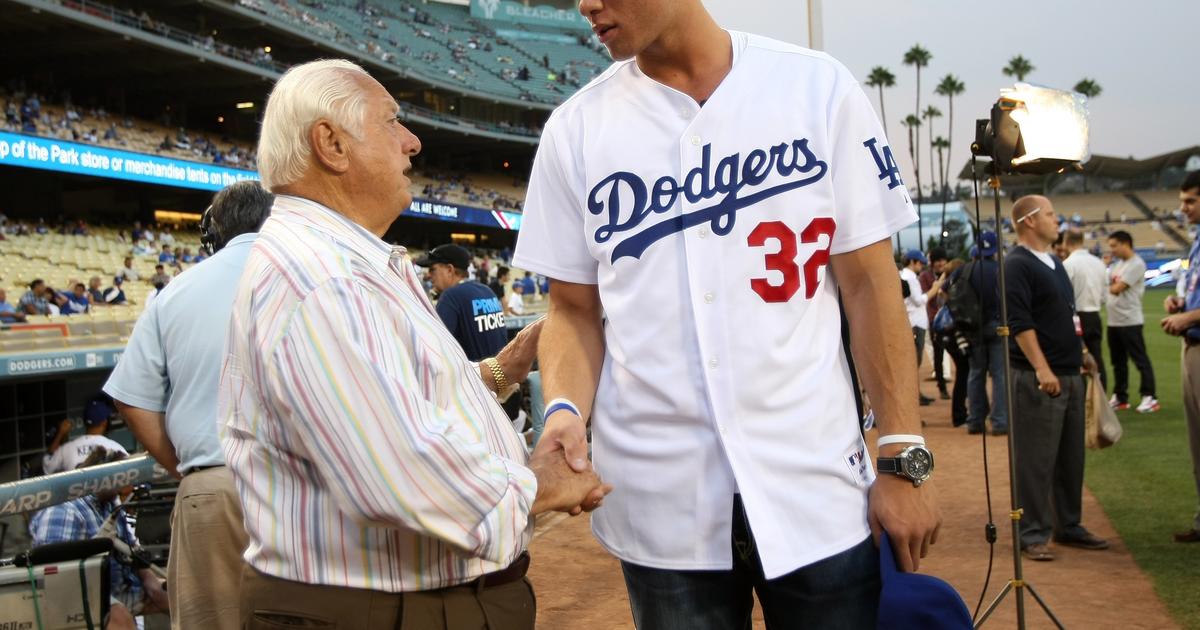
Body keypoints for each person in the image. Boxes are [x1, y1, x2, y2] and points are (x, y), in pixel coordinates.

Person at [512, 2, 941, 626]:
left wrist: (904, 454)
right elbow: (572, 310)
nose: (586, 4)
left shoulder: (815, 87)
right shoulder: (575, 128)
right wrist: (563, 409)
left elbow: (870, 284)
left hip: (815, 480)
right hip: (660, 493)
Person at [219, 59, 609, 628]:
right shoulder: (321, 276)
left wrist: (500, 371)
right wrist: (537, 484)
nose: (412, 141)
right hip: (377, 608)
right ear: (331, 143)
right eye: (392, 122)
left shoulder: (342, 261)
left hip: (399, 600)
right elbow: (394, 470)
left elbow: (401, 400)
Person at [104, 180, 273, 630]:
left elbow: (129, 399)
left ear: (216, 232)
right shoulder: (312, 271)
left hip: (210, 484)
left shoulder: (174, 291)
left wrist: (187, 468)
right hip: (303, 484)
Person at [1006, 195, 1108, 562]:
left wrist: (1081, 354)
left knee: (1070, 457)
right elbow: (1020, 323)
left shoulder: (1054, 262)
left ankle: (1069, 524)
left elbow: (1067, 314)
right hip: (1041, 378)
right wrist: (1042, 368)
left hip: (1070, 372)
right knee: (1036, 458)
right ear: (1029, 220)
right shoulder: (1017, 264)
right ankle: (1032, 531)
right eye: (1050, 214)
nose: (1057, 221)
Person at [30, 447, 169, 630]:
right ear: (103, 477)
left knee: (179, 596)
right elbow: (53, 577)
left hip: (117, 587)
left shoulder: (110, 504)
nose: (125, 484)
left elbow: (130, 550)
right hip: (78, 594)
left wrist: (150, 581)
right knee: (119, 617)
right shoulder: (65, 510)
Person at [1163, 171, 1200, 543]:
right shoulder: (1196, 242)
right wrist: (1182, 304)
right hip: (1191, 347)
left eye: (1190, 200)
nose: (1183, 208)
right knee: (1196, 444)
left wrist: (1187, 316)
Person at [420, 243, 509, 362]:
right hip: (502, 375)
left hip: (475, 377)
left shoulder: (451, 296)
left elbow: (434, 349)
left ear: (449, 269)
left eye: (432, 269)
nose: (429, 275)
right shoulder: (487, 291)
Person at [1106, 230, 1158, 412]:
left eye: (1114, 246)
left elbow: (1117, 288)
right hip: (1114, 321)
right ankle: (1121, 397)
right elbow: (1108, 284)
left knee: (1140, 359)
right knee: (1118, 361)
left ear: (1125, 244)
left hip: (1130, 320)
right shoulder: (1117, 265)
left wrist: (1105, 285)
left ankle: (1149, 396)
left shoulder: (1136, 264)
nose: (1111, 250)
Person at [962, 232, 1008, 436]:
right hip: (997, 325)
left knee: (975, 374)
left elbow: (946, 293)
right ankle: (999, 421)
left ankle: (975, 421)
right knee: (999, 375)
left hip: (973, 328)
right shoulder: (1001, 269)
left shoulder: (967, 269)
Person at [1062, 228, 1108, 391]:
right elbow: (1104, 296)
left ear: (1066, 242)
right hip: (1094, 315)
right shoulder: (1099, 263)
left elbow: (1064, 296)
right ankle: (1101, 395)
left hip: (1076, 317)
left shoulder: (1068, 265)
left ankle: (1081, 397)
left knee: (1077, 357)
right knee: (1097, 356)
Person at [42, 395, 128, 475]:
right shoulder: (114, 447)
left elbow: (47, 467)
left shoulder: (66, 449)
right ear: (104, 422)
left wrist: (60, 433)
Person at [901, 250, 945, 406]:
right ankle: (913, 396)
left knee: (914, 363)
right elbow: (919, 301)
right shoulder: (910, 278)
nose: (921, 266)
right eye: (919, 262)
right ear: (912, 262)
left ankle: (916, 394)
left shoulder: (907, 276)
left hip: (914, 322)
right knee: (914, 363)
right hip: (915, 324)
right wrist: (935, 288)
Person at [919, 248, 951, 399]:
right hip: (934, 320)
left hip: (953, 319)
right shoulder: (925, 276)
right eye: (938, 261)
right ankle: (941, 386)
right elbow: (926, 298)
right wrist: (938, 286)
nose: (941, 263)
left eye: (943, 260)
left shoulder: (951, 273)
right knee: (938, 355)